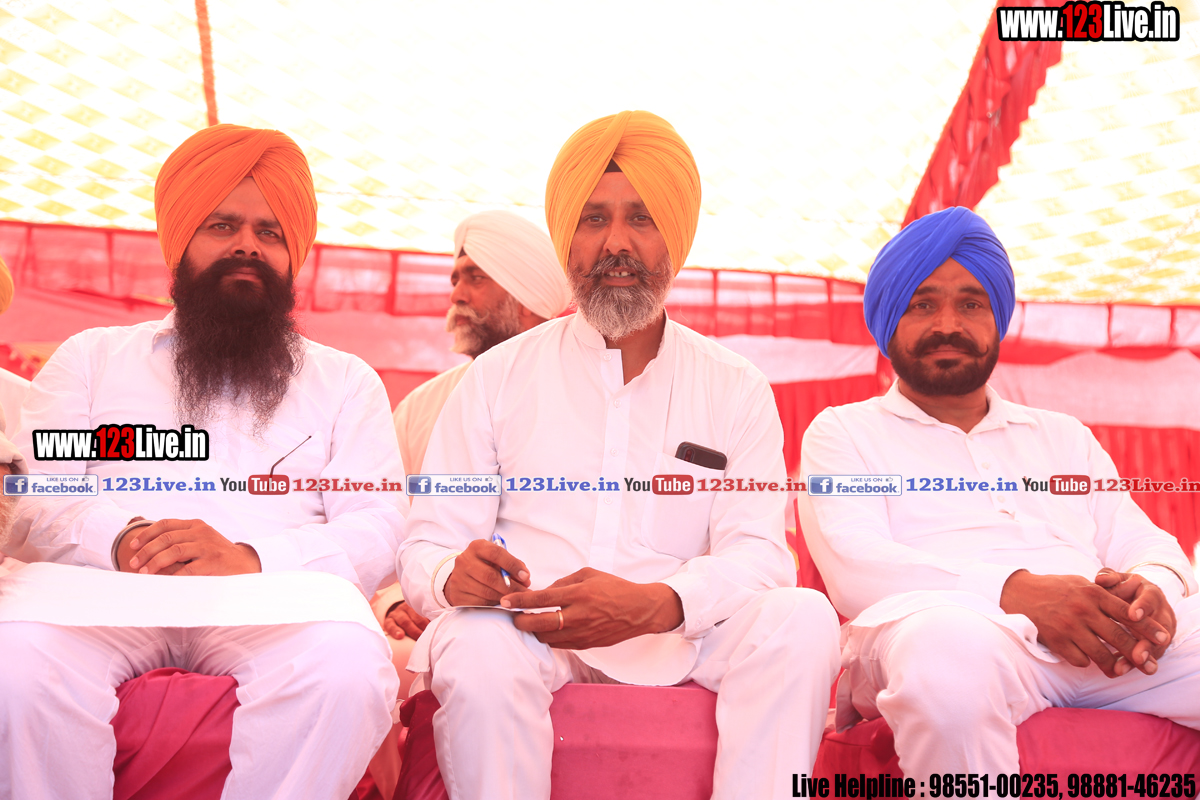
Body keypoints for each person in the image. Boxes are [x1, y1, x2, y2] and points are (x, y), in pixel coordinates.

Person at [399, 110, 840, 800]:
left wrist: (658, 604)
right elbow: (429, 543)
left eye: (641, 218)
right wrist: (454, 577)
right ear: (566, 239)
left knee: (802, 619)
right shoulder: (497, 377)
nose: (616, 243)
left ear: (674, 238)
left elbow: (759, 555)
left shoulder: (735, 386)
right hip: (528, 628)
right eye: (593, 219)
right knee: (475, 642)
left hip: (679, 631)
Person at [0, 124, 404, 800]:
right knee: (13, 663)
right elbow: (37, 492)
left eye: (270, 232)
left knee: (348, 668)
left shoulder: (345, 382)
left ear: (292, 255)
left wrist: (250, 557)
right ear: (181, 241)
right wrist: (125, 539)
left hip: (274, 599)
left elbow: (379, 521)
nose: (248, 244)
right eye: (222, 225)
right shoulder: (92, 360)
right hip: (99, 592)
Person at [797, 206, 1200, 778]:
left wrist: (1150, 589)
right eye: (922, 304)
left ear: (997, 318)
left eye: (971, 304)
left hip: (1103, 639)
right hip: (959, 635)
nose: (948, 325)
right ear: (888, 317)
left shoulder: (1062, 435)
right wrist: (1017, 592)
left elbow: (1143, 540)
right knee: (943, 653)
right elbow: (856, 566)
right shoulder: (845, 432)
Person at [380, 210, 570, 650]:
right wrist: (399, 598)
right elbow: (387, 520)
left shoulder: (589, 395)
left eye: (475, 278)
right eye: (455, 279)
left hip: (563, 613)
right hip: (440, 614)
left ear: (526, 298)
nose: (456, 295)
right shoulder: (421, 407)